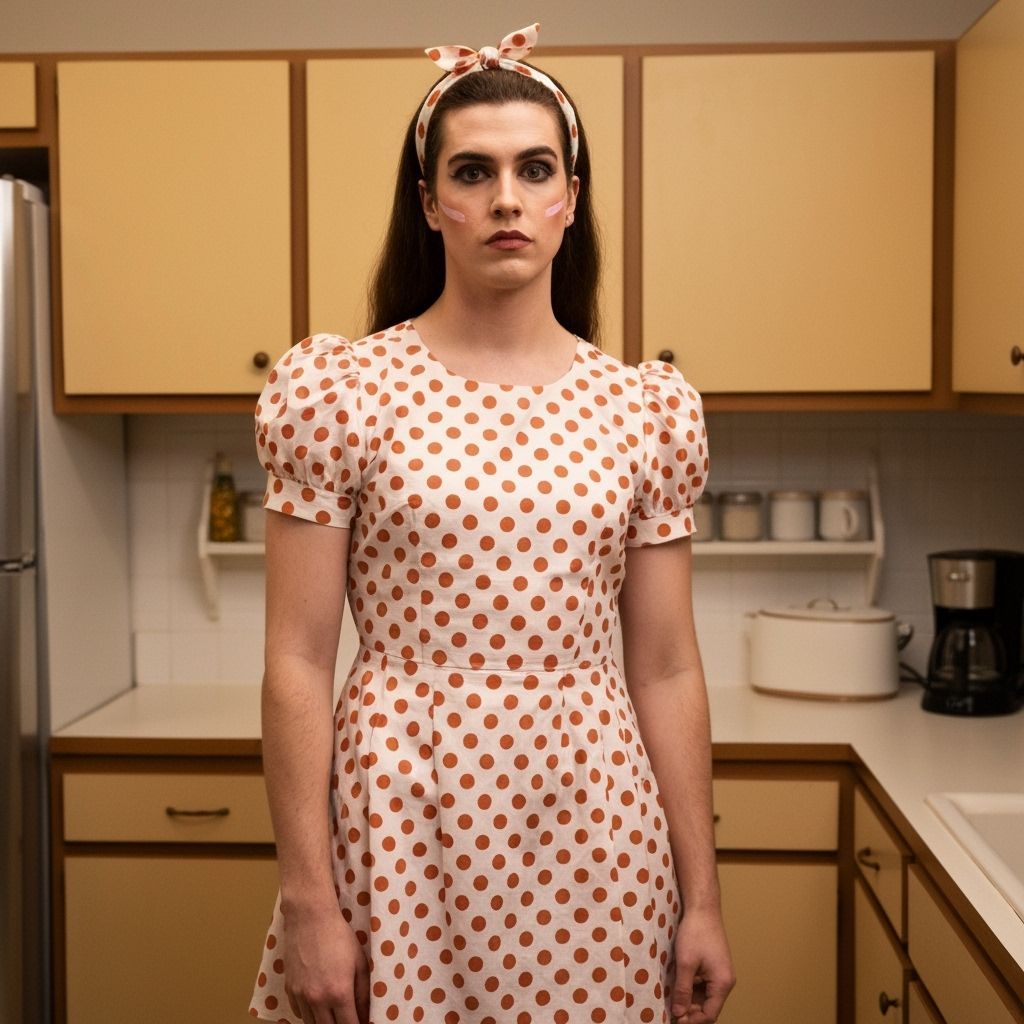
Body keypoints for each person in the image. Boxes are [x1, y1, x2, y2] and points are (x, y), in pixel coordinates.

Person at [249, 23, 734, 1024]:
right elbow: (298, 658)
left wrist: (705, 899)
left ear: (570, 198)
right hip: (398, 820)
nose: (505, 198)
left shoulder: (644, 408)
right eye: (472, 171)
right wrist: (307, 899)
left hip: (593, 827)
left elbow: (668, 666)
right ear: (431, 204)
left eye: (533, 168)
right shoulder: (342, 392)